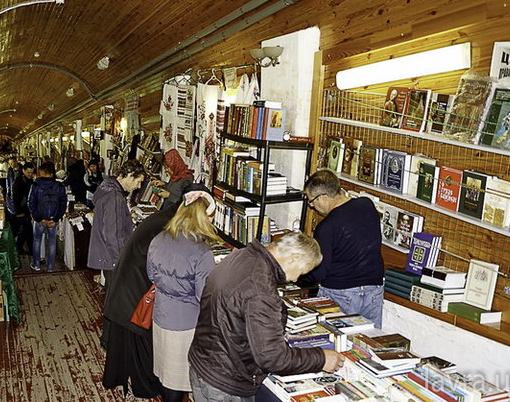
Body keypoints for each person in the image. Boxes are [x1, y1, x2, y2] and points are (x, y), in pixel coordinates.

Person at [187, 231, 345, 401]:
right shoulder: (259, 287)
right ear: (294, 258)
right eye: (302, 271)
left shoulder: (242, 255)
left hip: (205, 363)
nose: (296, 279)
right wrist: (321, 358)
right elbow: (273, 358)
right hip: (226, 383)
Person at [146, 190, 218, 402]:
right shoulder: (202, 252)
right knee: (180, 381)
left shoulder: (159, 238)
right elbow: (203, 295)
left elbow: (151, 275)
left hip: (161, 315)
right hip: (186, 323)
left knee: (166, 375)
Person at [301, 169, 384, 328]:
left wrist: (298, 276)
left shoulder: (327, 227)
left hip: (341, 292)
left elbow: (320, 271)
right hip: (373, 290)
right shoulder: (367, 205)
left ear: (323, 197)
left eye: (311, 200)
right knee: (368, 343)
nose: (311, 206)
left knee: (338, 344)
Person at [87, 159, 146, 278]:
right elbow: (113, 234)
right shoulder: (115, 198)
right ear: (129, 176)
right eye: (138, 182)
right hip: (113, 259)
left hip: (107, 256)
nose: (138, 186)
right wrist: (120, 262)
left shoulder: (108, 189)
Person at [28, 162, 67, 272]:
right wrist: (55, 219)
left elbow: (31, 203)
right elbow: (63, 203)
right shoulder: (59, 186)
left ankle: (36, 264)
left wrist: (39, 218)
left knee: (36, 241)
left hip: (39, 220)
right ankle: (50, 267)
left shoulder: (35, 185)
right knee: (52, 243)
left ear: (42, 171)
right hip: (53, 220)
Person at [11, 162, 35, 255]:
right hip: (21, 210)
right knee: (27, 229)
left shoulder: (28, 180)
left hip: (26, 209)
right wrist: (18, 212)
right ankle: (27, 250)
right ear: (23, 170)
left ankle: (20, 248)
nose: (30, 174)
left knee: (26, 230)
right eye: (28, 172)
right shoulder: (18, 181)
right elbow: (15, 198)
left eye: (32, 172)